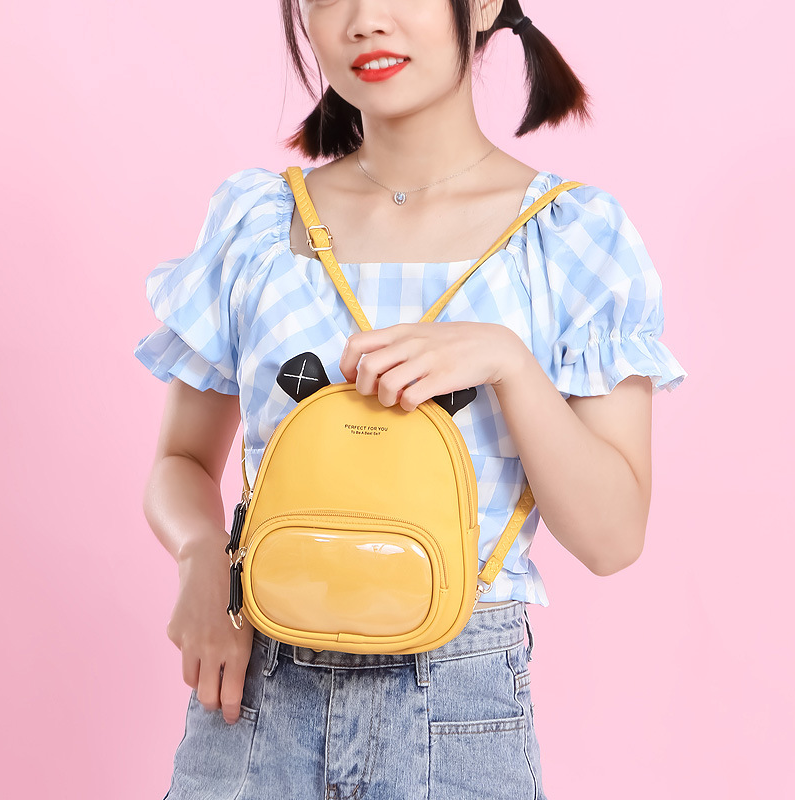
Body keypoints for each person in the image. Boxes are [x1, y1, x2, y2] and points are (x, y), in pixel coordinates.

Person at [134, 1, 688, 798]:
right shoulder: (257, 224)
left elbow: (612, 538)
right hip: (256, 696)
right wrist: (200, 560)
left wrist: (508, 362)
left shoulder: (571, 236)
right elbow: (182, 460)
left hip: (458, 706)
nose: (365, 20)